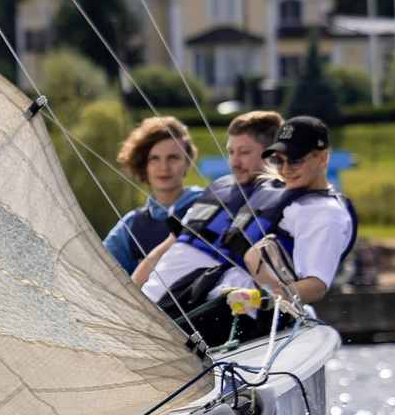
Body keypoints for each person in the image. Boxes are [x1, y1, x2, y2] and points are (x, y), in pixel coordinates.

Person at [133, 115, 356, 345]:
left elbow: (316, 287)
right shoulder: (280, 195)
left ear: (323, 158)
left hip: (245, 311)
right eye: (279, 160)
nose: (286, 169)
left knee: (158, 345)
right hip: (211, 295)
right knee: (146, 339)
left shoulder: (326, 213)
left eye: (295, 161)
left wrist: (259, 299)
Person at [102, 116, 196, 273]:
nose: (164, 167)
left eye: (173, 157)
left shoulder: (208, 207)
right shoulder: (130, 226)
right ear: (143, 164)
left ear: (187, 162)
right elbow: (98, 272)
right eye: (155, 158)